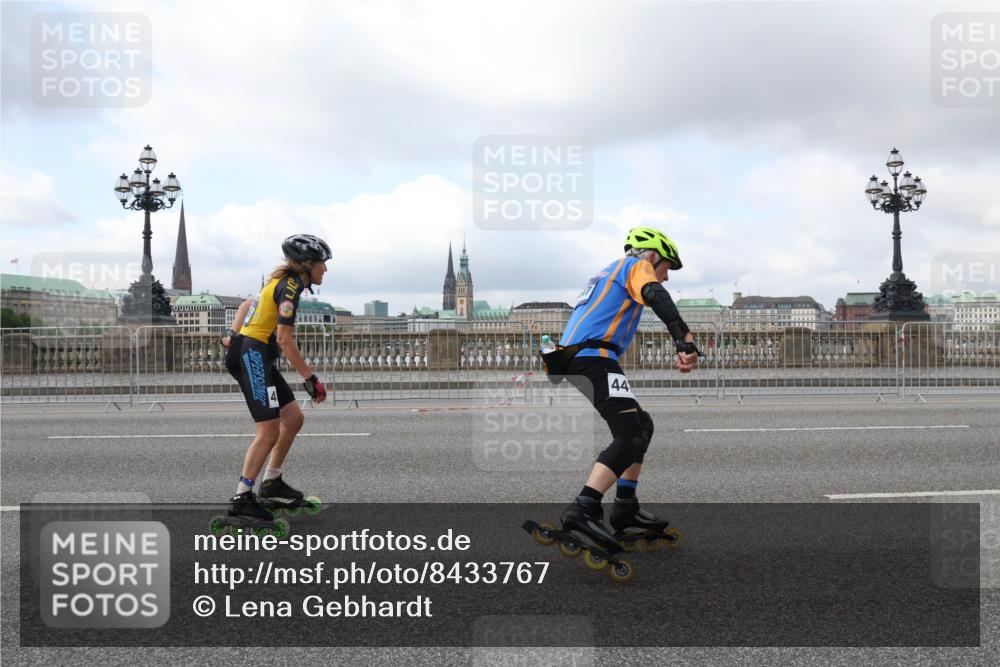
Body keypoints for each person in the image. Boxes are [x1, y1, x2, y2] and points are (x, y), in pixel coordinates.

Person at [554, 227, 699, 555]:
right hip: (592, 358)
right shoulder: (635, 266)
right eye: (666, 268)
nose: (666, 277)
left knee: (641, 426)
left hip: (583, 357)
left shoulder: (610, 271)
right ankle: (583, 508)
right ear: (652, 256)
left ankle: (625, 506)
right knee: (629, 435)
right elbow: (656, 295)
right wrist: (684, 338)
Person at [219, 233, 332, 526]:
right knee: (268, 431)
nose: (325, 270)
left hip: (255, 353)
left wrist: (232, 333)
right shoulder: (290, 286)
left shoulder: (280, 283)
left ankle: (272, 482)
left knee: (293, 419)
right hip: (253, 356)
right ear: (307, 264)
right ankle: (242, 497)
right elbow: (284, 338)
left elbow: (247, 305)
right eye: (322, 263)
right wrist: (310, 378)